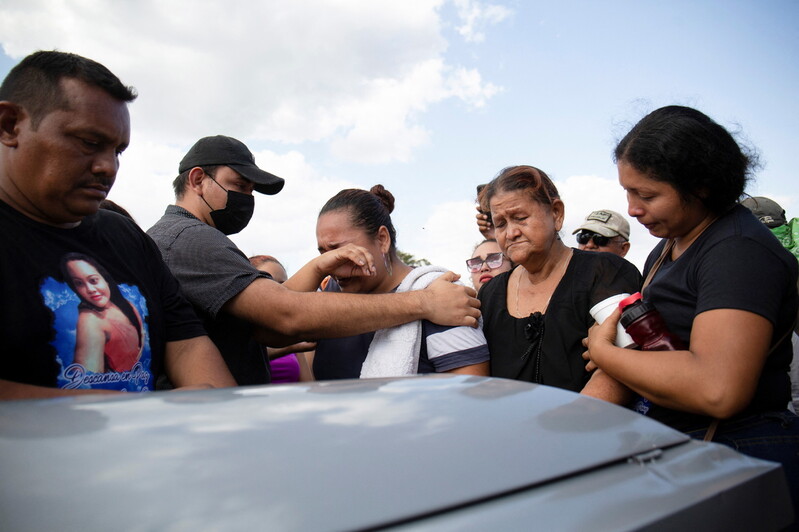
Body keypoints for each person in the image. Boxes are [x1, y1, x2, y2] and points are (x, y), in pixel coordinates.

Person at [584, 105, 799, 515]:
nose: (632, 208)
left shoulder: (737, 251)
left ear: (701, 186)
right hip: (677, 447)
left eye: (646, 194)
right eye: (628, 192)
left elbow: (718, 390)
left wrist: (604, 353)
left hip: (734, 454)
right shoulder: (667, 250)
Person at [147, 137, 481, 386]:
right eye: (238, 186)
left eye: (251, 191)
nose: (246, 199)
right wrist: (424, 303)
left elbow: (470, 399)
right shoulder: (191, 240)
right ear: (196, 180)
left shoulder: (441, 290)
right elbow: (283, 317)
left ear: (382, 239)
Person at [0, 51, 235, 399]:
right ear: (9, 125)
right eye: (89, 143)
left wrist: (215, 408)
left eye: (117, 151)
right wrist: (140, 415)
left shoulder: (126, 237)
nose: (107, 167)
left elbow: (187, 345)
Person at [477, 165, 641, 399]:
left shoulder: (604, 272)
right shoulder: (490, 293)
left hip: (586, 427)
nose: (510, 232)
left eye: (520, 218)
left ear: (556, 213)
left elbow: (623, 366)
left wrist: (571, 427)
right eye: (500, 224)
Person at [296, 185, 489, 379]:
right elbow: (280, 313)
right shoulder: (327, 292)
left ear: (382, 239)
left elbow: (470, 392)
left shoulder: (443, 294)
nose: (332, 266)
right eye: (323, 255)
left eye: (341, 251)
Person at [61, 253, 144, 373]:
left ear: (106, 279)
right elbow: (87, 382)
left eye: (93, 280)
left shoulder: (127, 305)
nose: (90, 289)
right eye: (79, 283)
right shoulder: (90, 320)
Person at [248, 254, 314, 383]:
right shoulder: (237, 330)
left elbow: (308, 385)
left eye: (283, 285)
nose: (278, 291)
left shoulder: (290, 331)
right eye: (269, 283)